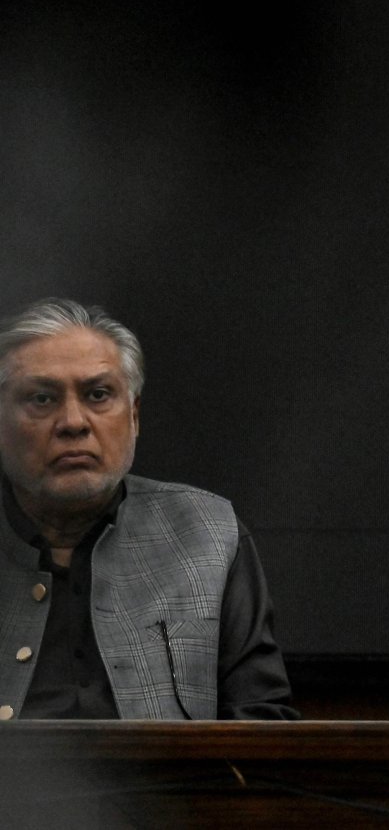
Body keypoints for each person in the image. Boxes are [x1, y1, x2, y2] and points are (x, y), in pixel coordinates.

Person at [0, 299, 295, 720]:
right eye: (42, 399)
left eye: (98, 395)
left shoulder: (208, 534)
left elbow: (261, 720)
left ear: (134, 415)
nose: (73, 422)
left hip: (175, 787)